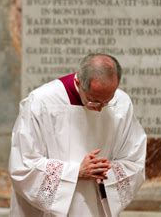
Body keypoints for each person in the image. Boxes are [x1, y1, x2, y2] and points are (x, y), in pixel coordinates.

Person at [9, 53, 146, 216]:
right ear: (78, 82)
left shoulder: (120, 102)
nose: (100, 108)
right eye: (94, 101)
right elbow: (23, 165)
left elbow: (133, 159)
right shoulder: (41, 102)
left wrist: (105, 170)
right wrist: (76, 172)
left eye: (106, 102)